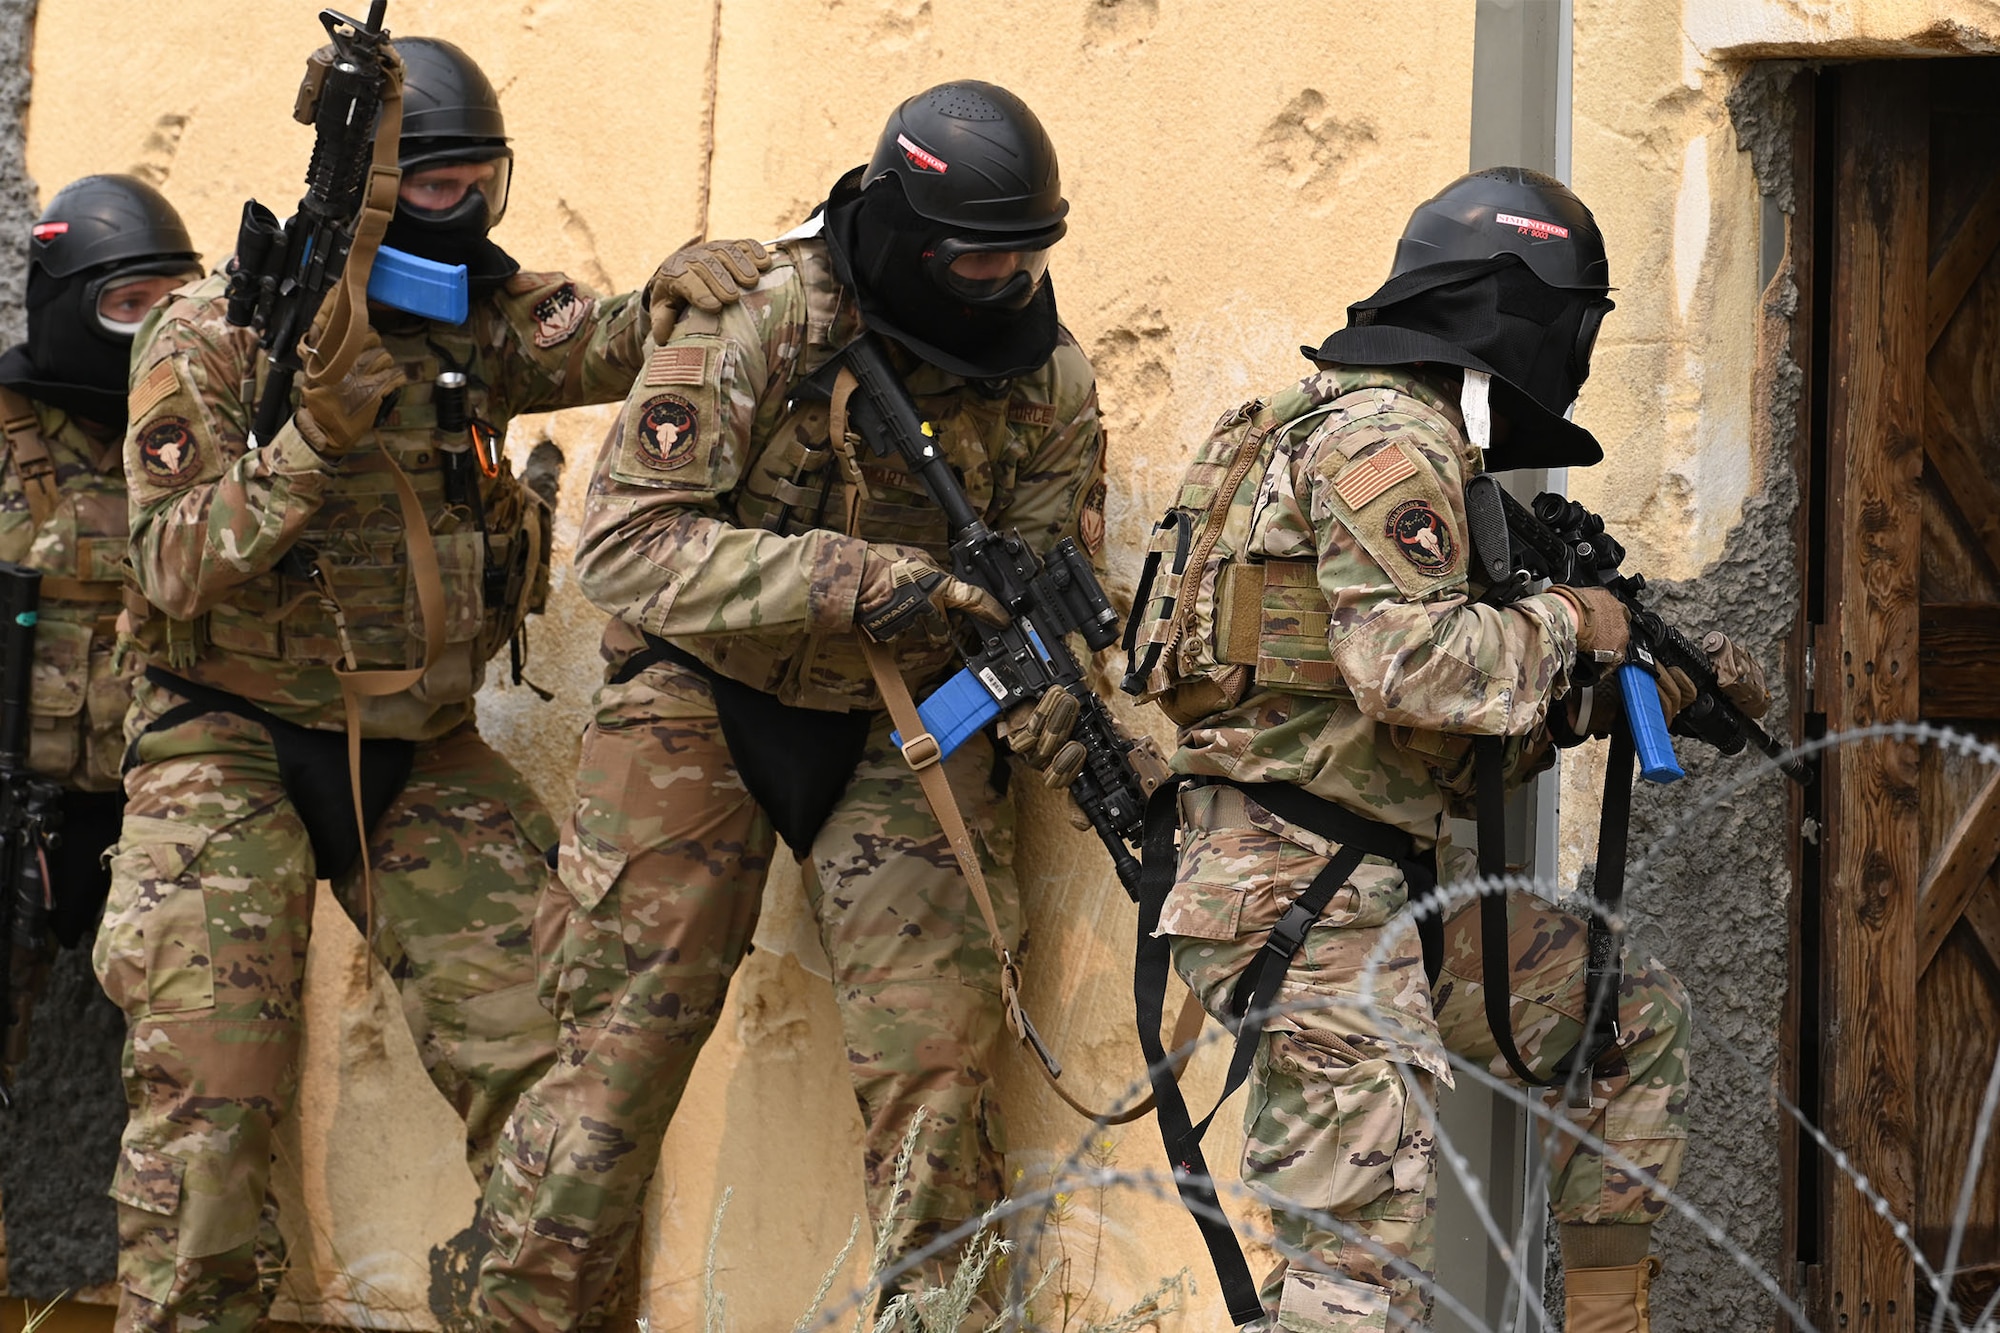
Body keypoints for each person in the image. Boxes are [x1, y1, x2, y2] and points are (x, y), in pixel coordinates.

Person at [93, 35, 766, 1330]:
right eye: (437, 187)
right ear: (380, 196)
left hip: (414, 743)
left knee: (564, 1080)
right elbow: (171, 565)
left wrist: (683, 293)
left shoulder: (476, 318)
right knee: (211, 1110)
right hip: (223, 734)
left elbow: (596, 342)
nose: (463, 213)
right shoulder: (217, 331)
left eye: (480, 184)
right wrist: (310, 442)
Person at [474, 80, 1107, 1331]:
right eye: (977, 259)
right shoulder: (762, 311)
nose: (1005, 283)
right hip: (697, 694)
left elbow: (1015, 600)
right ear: (910, 234)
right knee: (611, 1066)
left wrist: (1037, 702)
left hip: (904, 727)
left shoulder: (1050, 384)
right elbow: (627, 547)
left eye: (1025, 258)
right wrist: (852, 574)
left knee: (936, 1076)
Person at [1123, 168, 1770, 1333]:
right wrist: (1577, 623)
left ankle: (1605, 1317)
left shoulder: (1356, 426)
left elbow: (1405, 722)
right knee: (1363, 1268)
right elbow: (1409, 667)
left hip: (1367, 889)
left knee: (1616, 1008)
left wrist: (1592, 699)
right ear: (1515, 306)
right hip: (1297, 897)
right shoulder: (1389, 438)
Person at [0, 175, 201, 1087]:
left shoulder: (212, 432)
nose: (159, 331)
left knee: (201, 1077)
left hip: (161, 814)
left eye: (176, 304)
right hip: (16, 804)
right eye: (130, 306)